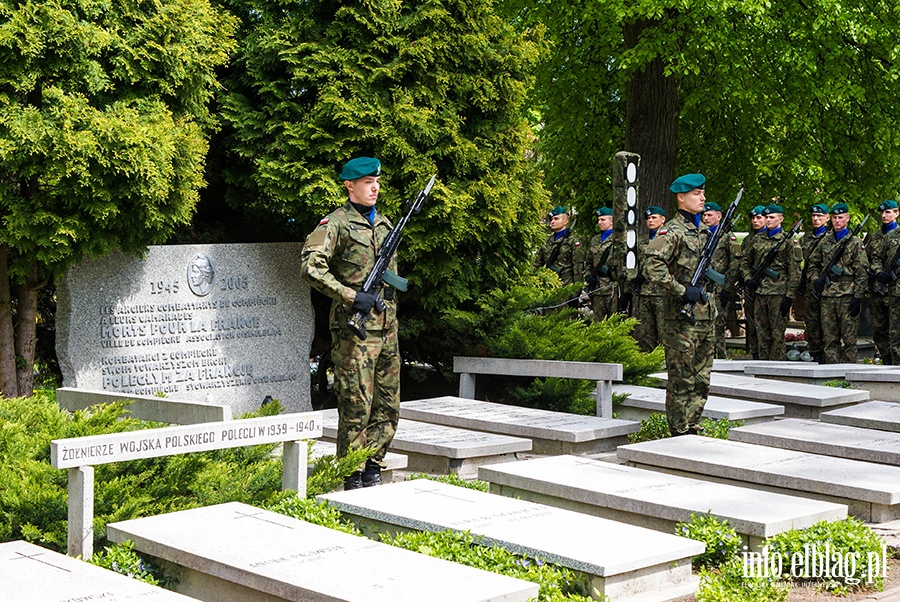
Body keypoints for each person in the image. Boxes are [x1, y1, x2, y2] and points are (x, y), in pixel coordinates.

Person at [301, 156, 400, 490]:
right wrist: (349, 295)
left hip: (387, 331)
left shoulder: (385, 225)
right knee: (356, 406)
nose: (374, 188)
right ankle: (351, 474)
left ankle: (373, 467)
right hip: (353, 332)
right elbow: (311, 267)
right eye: (367, 182)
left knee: (388, 406)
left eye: (377, 182)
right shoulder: (336, 224)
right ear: (350, 185)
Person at [645, 173, 715, 436]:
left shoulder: (705, 232)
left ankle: (694, 425)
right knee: (682, 379)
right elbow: (653, 265)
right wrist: (681, 290)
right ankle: (679, 431)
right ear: (681, 197)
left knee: (702, 378)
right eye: (697, 193)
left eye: (703, 193)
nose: (703, 198)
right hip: (680, 319)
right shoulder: (671, 232)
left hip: (705, 316)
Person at [808, 203, 869, 364]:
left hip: (847, 295)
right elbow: (812, 264)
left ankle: (849, 374)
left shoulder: (854, 242)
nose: (837, 221)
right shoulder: (825, 241)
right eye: (834, 218)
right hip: (827, 295)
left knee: (849, 340)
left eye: (840, 217)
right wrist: (816, 280)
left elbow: (862, 272)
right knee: (829, 339)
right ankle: (831, 375)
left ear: (847, 219)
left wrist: (858, 297)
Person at [741, 204, 800, 360]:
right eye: (766, 217)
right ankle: (762, 365)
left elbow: (794, 271)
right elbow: (745, 262)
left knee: (777, 334)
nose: (768, 220)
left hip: (778, 292)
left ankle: (777, 368)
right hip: (760, 292)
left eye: (771, 217)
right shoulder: (757, 239)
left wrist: (789, 296)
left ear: (780, 219)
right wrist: (748, 280)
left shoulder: (788, 241)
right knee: (762, 333)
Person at [701, 202, 738, 358]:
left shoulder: (727, 236)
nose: (706, 217)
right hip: (703, 287)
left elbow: (735, 263)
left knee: (718, 324)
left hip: (719, 287)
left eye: (710, 215)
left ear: (719, 216)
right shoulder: (700, 234)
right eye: (704, 215)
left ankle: (720, 356)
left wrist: (727, 287)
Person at [866, 200, 899, 364]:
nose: (885, 215)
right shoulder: (876, 236)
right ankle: (886, 360)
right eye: (883, 213)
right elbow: (872, 258)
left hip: (896, 291)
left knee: (896, 330)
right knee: (879, 329)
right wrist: (878, 272)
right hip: (878, 289)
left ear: (896, 213)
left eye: (889, 212)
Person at [799, 203, 831, 363]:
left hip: (828, 289)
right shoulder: (805, 238)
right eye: (813, 216)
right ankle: (815, 355)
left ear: (827, 218)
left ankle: (828, 360)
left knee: (827, 325)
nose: (816, 219)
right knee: (811, 325)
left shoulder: (831, 238)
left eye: (820, 216)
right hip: (809, 288)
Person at [632, 206, 667, 352]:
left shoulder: (667, 237)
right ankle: (648, 360)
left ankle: (665, 359)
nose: (650, 220)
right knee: (646, 329)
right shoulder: (642, 240)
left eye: (654, 217)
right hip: (645, 291)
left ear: (663, 219)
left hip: (662, 291)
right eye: (648, 218)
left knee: (663, 327)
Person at [740, 206, 768, 359]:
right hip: (751, 287)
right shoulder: (748, 240)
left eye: (759, 218)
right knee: (752, 324)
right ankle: (755, 353)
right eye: (753, 218)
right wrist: (747, 279)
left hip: (769, 288)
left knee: (766, 326)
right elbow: (743, 263)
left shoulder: (776, 238)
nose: (755, 221)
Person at [534, 206, 584, 285]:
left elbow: (578, 267)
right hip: (548, 285)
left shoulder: (573, 241)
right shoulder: (546, 240)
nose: (552, 221)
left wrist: (576, 290)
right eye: (552, 219)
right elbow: (537, 262)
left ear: (565, 221)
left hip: (566, 286)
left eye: (556, 219)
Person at [584, 207, 618, 321]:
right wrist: (588, 275)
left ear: (612, 220)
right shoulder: (595, 240)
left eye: (603, 220)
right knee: (598, 322)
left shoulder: (618, 239)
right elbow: (588, 261)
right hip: (597, 288)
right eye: (598, 220)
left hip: (612, 288)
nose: (599, 222)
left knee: (615, 322)